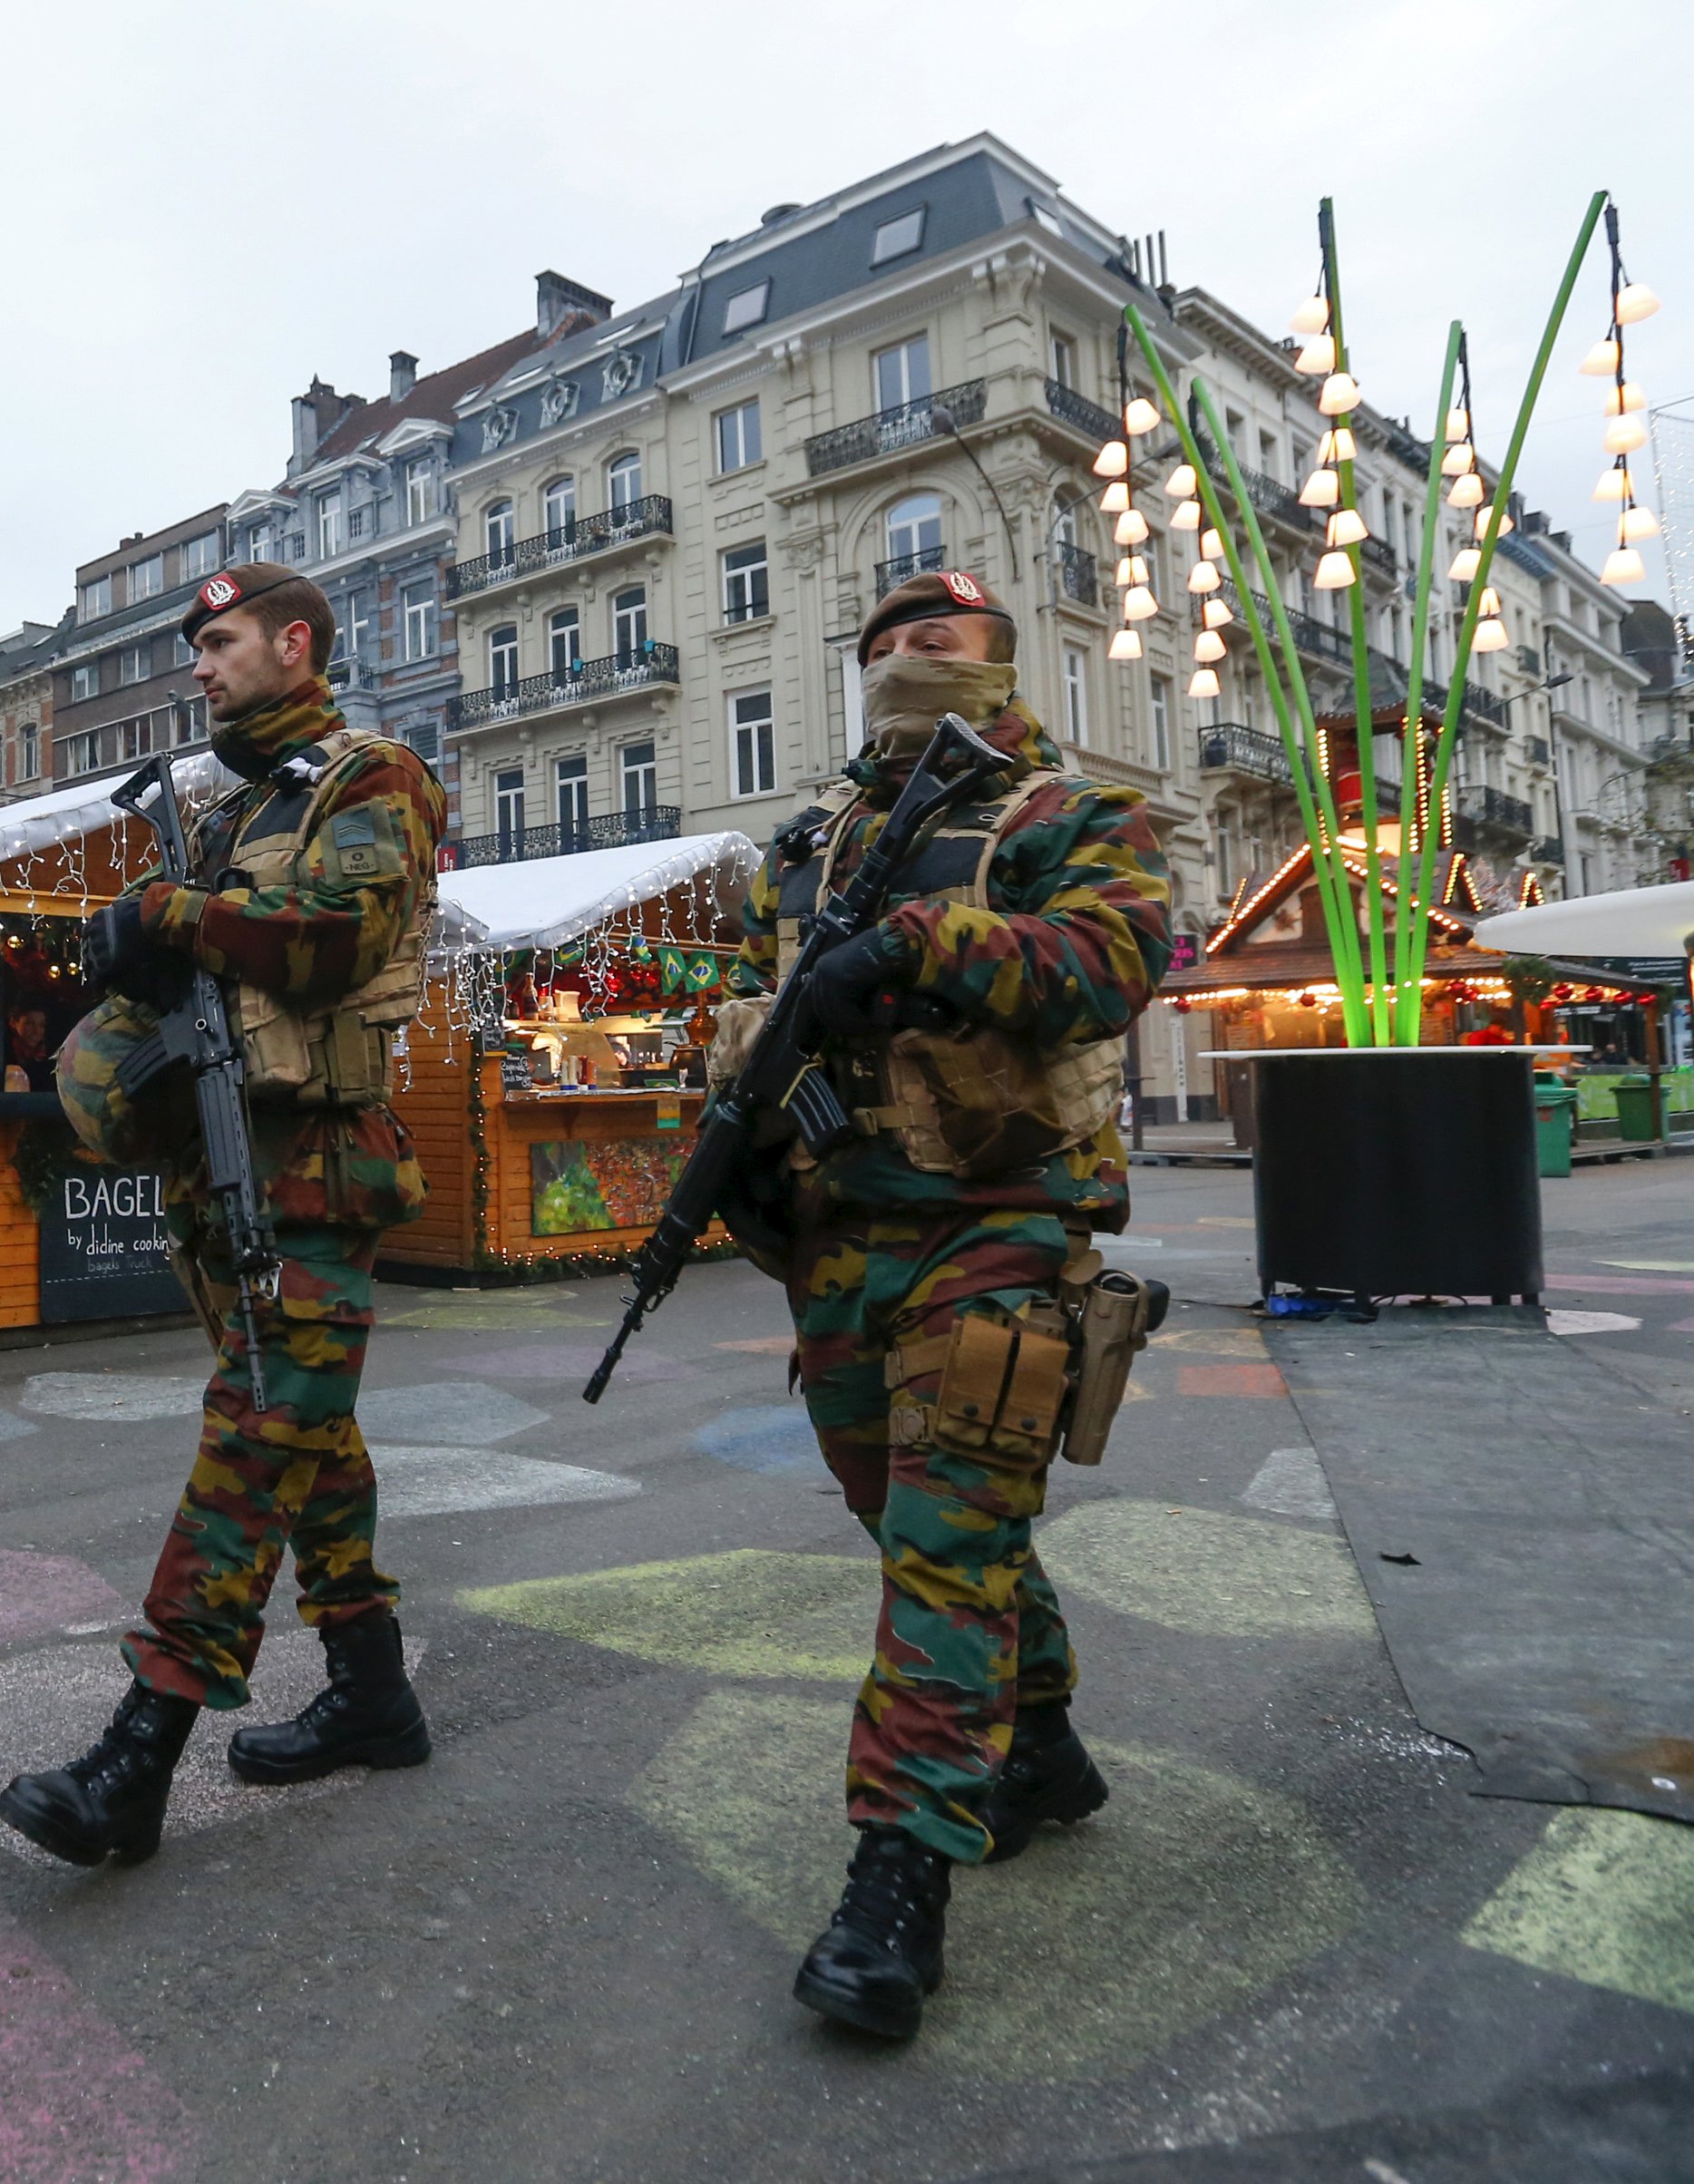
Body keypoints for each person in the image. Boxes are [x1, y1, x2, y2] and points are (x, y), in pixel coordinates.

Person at [733, 570, 1168, 2042]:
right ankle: (1039, 1739)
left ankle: (898, 1879)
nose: (909, 657)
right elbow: (756, 1013)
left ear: (1001, 658)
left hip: (1002, 1222)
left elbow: (1111, 964)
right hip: (844, 1246)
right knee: (918, 1520)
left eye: (943, 637)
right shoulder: (813, 843)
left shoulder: (1069, 816)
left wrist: (928, 946)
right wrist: (736, 1160)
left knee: (941, 1542)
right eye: (885, 644)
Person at [0, 562, 443, 1867]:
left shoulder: (372, 779)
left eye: (223, 640)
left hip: (311, 1171)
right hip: (226, 1165)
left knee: (251, 1452)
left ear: (295, 644)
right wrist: (143, 942)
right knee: (310, 1439)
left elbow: (336, 936)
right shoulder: (241, 807)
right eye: (195, 644)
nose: (200, 664)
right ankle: (373, 1692)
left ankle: (138, 1756)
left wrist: (173, 917)